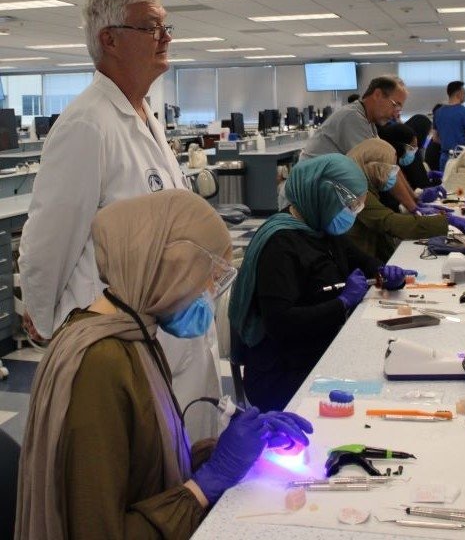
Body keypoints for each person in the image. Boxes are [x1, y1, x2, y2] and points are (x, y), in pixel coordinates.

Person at [15, 190, 313, 540]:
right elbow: (98, 530)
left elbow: (143, 469)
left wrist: (227, 450)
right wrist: (205, 485)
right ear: (168, 270)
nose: (208, 293)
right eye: (207, 277)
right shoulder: (100, 365)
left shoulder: (133, 333)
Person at [18, 0, 218, 440]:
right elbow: (50, 238)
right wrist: (50, 328)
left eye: (167, 26)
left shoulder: (142, 113)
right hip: (114, 338)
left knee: (181, 453)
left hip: (166, 330)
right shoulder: (88, 124)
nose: (166, 37)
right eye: (152, 27)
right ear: (109, 38)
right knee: (139, 470)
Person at [229, 154, 415, 411]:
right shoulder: (280, 245)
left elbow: (360, 261)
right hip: (284, 370)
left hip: (319, 347)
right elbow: (280, 323)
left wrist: (385, 273)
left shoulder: (319, 225)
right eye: (349, 206)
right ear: (324, 196)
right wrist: (341, 303)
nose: (352, 214)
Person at [347, 139, 465, 261]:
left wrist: (417, 205)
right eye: (389, 168)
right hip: (359, 261)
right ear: (372, 166)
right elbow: (389, 222)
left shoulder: (365, 185)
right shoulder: (356, 191)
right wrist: (445, 221)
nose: (392, 174)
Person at [299, 75, 408, 160]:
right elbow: (377, 165)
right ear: (377, 95)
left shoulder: (369, 123)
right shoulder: (352, 117)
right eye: (395, 105)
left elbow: (384, 162)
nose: (395, 114)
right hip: (312, 186)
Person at [433, 81, 465, 170]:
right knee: (462, 184)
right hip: (461, 158)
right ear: (458, 94)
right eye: (464, 92)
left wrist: (448, 143)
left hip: (444, 159)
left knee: (446, 183)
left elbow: (435, 138)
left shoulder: (438, 112)